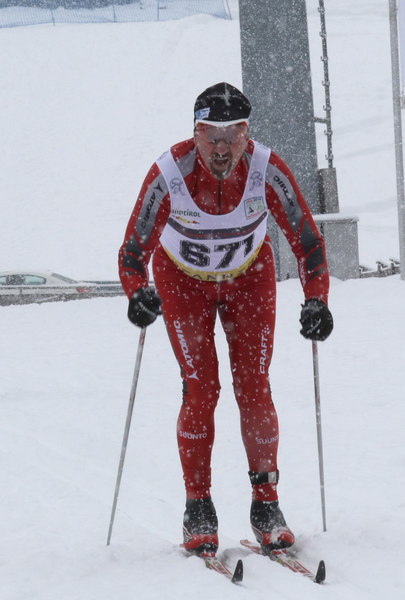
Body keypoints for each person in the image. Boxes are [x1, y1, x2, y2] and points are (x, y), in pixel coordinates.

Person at [118, 82, 333, 558]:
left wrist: (317, 300)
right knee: (202, 388)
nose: (221, 149)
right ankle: (198, 506)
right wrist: (138, 293)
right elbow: (133, 249)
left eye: (232, 136)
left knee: (254, 385)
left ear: (246, 133)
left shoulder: (266, 169)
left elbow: (307, 241)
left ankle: (266, 504)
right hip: (183, 283)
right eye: (210, 137)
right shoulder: (169, 173)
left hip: (247, 278)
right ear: (194, 134)